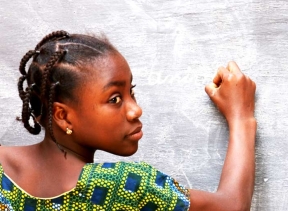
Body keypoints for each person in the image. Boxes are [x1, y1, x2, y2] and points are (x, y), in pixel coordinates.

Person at [0, 30, 256, 211]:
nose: (135, 110)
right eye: (114, 99)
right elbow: (231, 206)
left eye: (130, 92)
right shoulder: (125, 186)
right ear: (63, 116)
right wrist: (241, 116)